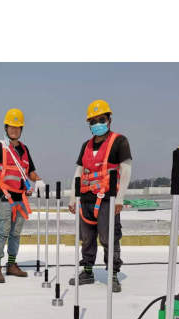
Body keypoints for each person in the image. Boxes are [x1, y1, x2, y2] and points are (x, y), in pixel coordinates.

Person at [68, 99, 132, 293]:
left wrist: (119, 198)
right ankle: (87, 271)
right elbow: (79, 172)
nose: (97, 124)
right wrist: (73, 197)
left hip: (107, 198)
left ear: (109, 119)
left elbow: (126, 170)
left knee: (108, 236)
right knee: (86, 237)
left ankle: (112, 273)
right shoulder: (85, 146)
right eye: (93, 121)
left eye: (101, 119)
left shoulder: (119, 141)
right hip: (86, 198)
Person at [0, 108, 45, 283]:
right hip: (4, 198)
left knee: (16, 233)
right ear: (6, 127)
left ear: (21, 129)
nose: (14, 130)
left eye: (18, 127)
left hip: (21, 198)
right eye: (12, 127)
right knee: (2, 233)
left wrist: (38, 180)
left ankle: (11, 265)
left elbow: (30, 171)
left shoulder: (25, 150)